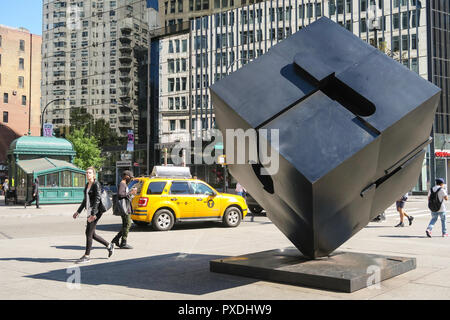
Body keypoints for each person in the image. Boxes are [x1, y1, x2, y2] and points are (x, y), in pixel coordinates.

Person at [73, 167, 114, 264]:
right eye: (86, 173)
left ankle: (87, 256)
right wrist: (78, 211)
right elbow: (85, 200)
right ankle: (109, 246)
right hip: (90, 211)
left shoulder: (96, 184)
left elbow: (97, 199)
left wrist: (93, 214)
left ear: (94, 174)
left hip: (95, 212)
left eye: (90, 173)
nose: (88, 174)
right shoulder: (88, 184)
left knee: (88, 233)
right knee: (92, 234)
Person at [111, 170, 136, 249]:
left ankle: (116, 239)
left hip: (126, 207)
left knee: (126, 224)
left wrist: (131, 194)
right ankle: (123, 242)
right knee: (128, 224)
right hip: (124, 208)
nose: (131, 179)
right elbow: (120, 194)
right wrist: (130, 192)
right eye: (130, 177)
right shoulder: (122, 183)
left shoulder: (124, 184)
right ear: (126, 176)